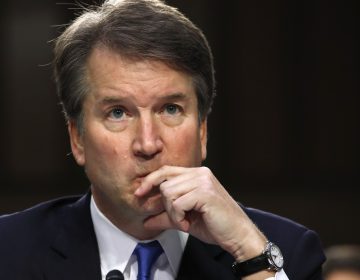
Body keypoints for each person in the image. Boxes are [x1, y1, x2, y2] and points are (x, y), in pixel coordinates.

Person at [0, 0, 325, 279]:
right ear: (78, 139)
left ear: (202, 132)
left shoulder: (287, 253)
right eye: (117, 113)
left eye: (170, 109)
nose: (147, 144)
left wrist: (249, 251)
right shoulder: (8, 251)